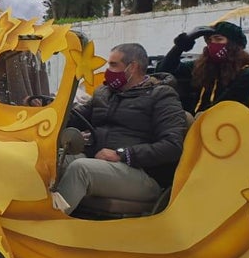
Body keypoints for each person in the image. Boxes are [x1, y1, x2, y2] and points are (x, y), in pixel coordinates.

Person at [53, 43, 187, 215]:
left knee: (80, 169)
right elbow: (74, 117)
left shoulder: (161, 96)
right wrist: (46, 111)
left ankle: (47, 226)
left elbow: (172, 145)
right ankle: (23, 217)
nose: (108, 70)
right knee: (52, 161)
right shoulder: (104, 93)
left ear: (133, 67)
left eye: (113, 65)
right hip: (99, 160)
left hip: (141, 173)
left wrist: (123, 154)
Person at [157, 21, 249, 114]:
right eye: (210, 40)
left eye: (218, 39)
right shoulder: (202, 67)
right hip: (195, 128)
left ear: (233, 44)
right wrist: (180, 46)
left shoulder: (247, 75)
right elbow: (164, 70)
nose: (213, 44)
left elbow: (222, 108)